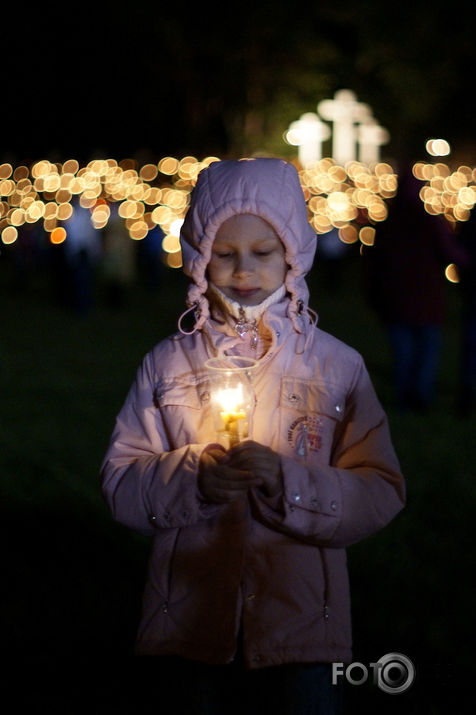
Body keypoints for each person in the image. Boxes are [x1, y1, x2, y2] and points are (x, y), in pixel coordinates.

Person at [100, 158, 405, 714]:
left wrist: (289, 482)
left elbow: (380, 489)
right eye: (223, 253)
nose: (243, 270)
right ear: (197, 255)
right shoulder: (169, 365)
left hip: (302, 629)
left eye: (263, 253)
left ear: (293, 252)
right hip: (190, 625)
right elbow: (121, 482)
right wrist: (196, 476)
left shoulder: (335, 366)